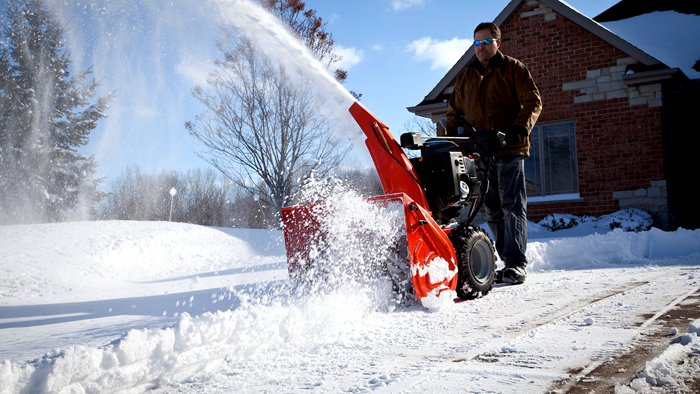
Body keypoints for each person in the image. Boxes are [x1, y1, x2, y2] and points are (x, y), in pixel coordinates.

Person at [444, 22, 542, 284]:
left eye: (486, 42)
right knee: (493, 209)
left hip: (509, 148)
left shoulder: (513, 69)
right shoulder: (466, 76)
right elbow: (453, 113)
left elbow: (533, 101)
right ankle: (505, 261)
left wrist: (520, 128)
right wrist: (450, 142)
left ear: (498, 42)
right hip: (481, 152)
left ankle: (516, 263)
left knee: (512, 206)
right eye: (477, 43)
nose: (481, 48)